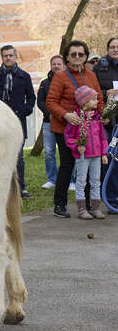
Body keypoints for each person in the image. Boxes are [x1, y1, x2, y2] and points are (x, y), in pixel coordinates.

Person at [47, 39, 104, 218]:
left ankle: (87, 206)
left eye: (81, 54)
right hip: (65, 128)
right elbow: (51, 102)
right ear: (67, 57)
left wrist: (103, 116)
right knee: (67, 165)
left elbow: (99, 100)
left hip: (88, 129)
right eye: (73, 54)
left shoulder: (91, 75)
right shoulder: (60, 76)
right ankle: (60, 204)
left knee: (87, 167)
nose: (77, 57)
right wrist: (65, 115)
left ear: (86, 56)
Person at [0, 45, 35, 198]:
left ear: (15, 56)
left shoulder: (24, 76)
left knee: (18, 157)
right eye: (5, 56)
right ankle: (0, 188)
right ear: (2, 57)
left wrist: (24, 110)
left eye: (11, 55)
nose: (8, 58)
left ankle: (21, 188)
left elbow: (31, 97)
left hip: (17, 122)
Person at [63, 86, 109, 219]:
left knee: (96, 181)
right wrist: (77, 146)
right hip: (82, 156)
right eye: (94, 99)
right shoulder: (77, 119)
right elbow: (68, 137)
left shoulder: (97, 118)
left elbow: (103, 137)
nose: (97, 101)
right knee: (81, 181)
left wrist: (104, 153)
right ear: (84, 102)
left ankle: (96, 208)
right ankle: (82, 209)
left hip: (97, 156)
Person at [93, 36, 118, 211]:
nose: (116, 50)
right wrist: (105, 92)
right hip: (108, 122)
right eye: (112, 47)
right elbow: (92, 92)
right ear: (108, 49)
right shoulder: (99, 68)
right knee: (110, 160)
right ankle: (111, 198)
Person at [36, 55, 65, 190]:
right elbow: (40, 102)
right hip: (49, 122)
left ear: (64, 65)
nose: (56, 66)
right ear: (51, 66)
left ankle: (70, 180)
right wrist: (51, 114)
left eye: (59, 64)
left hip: (66, 122)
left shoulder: (69, 81)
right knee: (49, 152)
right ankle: (52, 179)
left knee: (67, 152)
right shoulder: (45, 83)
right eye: (54, 64)